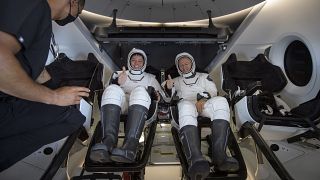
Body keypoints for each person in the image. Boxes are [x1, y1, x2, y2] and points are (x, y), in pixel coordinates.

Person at [0, 0, 89, 172]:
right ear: (73, 2)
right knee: (71, 118)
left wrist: (59, 90)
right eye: (78, 11)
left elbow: (34, 70)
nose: (75, 16)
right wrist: (54, 97)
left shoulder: (41, 20)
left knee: (72, 116)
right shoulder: (35, 6)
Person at [163, 52, 239, 179]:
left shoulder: (204, 76)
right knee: (185, 105)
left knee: (221, 101)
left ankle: (220, 156)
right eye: (181, 65)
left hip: (205, 104)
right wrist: (168, 87)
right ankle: (195, 158)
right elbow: (164, 97)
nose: (184, 67)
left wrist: (202, 99)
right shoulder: (175, 80)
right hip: (187, 107)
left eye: (186, 63)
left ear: (192, 64)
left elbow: (213, 91)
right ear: (178, 67)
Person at [90, 48, 163, 163]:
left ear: (144, 63)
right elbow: (106, 92)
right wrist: (117, 82)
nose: (136, 63)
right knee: (112, 89)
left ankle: (130, 147)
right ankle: (108, 142)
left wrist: (157, 97)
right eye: (133, 60)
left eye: (140, 61)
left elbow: (161, 97)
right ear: (129, 61)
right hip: (121, 106)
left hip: (142, 107)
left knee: (140, 91)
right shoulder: (118, 74)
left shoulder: (151, 78)